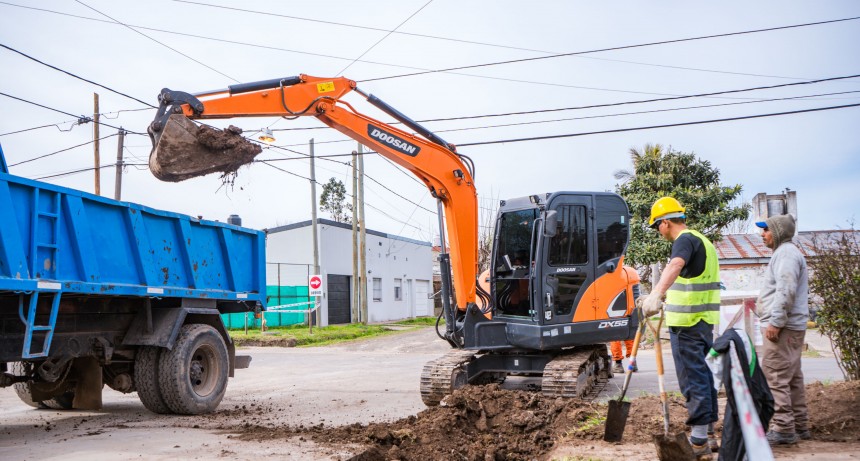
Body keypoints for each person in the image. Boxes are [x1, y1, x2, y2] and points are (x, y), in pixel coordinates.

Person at [638, 197, 720, 457]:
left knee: (692, 378)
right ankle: (707, 434)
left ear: (665, 223)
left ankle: (697, 443)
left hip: (687, 324)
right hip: (704, 322)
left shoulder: (683, 240)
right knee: (705, 376)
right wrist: (666, 299)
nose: (658, 232)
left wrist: (656, 294)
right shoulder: (703, 241)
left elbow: (676, 265)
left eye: (656, 226)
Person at [755, 214, 810, 445]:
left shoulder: (786, 254)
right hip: (792, 327)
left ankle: (784, 429)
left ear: (777, 232)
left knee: (775, 376)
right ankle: (800, 424)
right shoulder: (787, 253)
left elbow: (785, 290)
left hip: (783, 327)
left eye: (766, 230)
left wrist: (775, 322)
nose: (762, 234)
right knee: (793, 377)